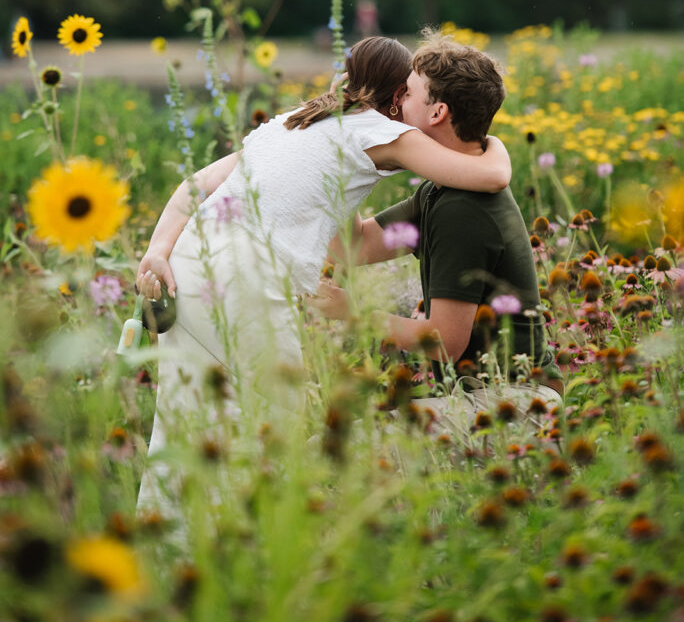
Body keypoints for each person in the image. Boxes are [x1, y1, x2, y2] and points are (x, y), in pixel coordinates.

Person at [135, 36, 511, 512]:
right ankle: (247, 559)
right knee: (272, 430)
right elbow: (492, 177)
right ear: (397, 96)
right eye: (410, 90)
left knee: (183, 421)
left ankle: (163, 551)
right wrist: (494, 142)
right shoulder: (385, 131)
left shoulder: (292, 123)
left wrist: (156, 251)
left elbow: (197, 185)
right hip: (249, 279)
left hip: (190, 264)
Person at [311, 31, 563, 441]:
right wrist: (343, 151)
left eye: (406, 93)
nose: (394, 102)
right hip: (485, 396)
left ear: (437, 113)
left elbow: (444, 343)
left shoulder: (461, 209)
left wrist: (351, 312)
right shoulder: (440, 191)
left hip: (518, 402)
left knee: (333, 452)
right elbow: (353, 247)